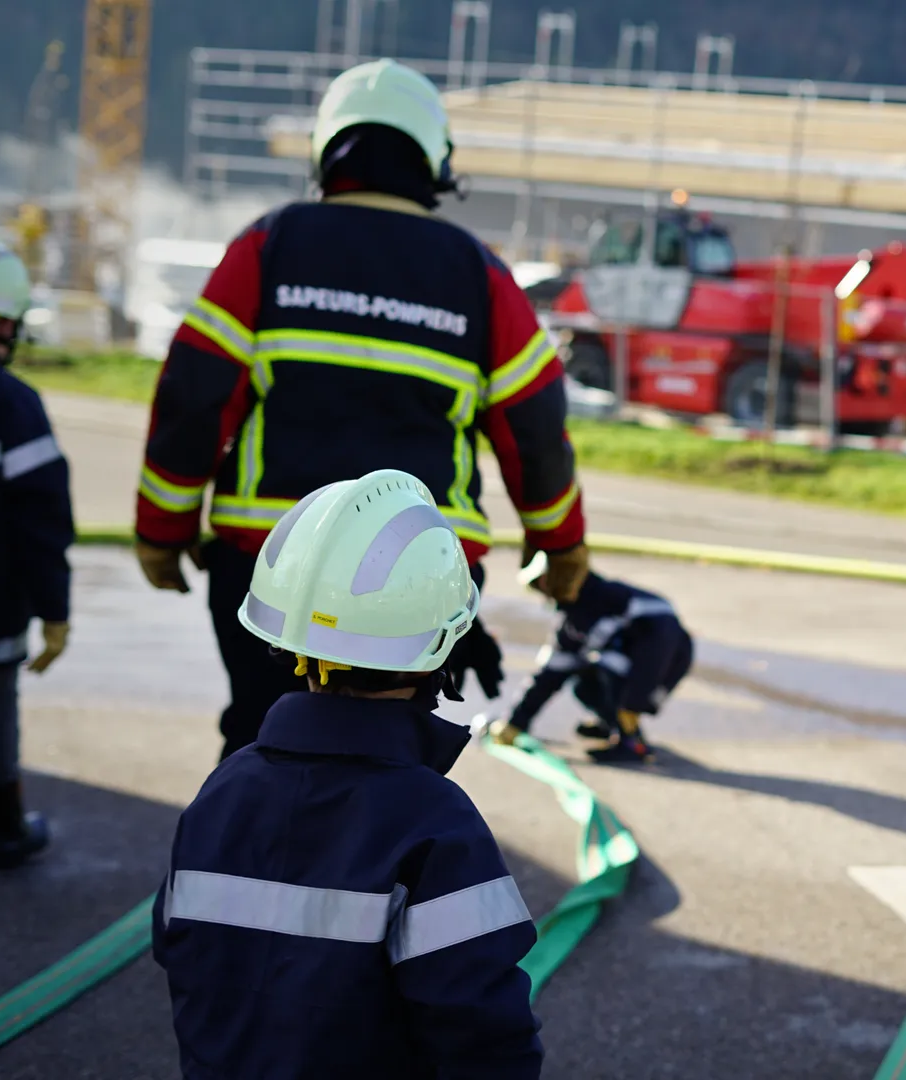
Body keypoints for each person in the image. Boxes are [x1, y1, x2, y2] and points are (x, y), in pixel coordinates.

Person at [134, 58, 588, 760]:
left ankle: (232, 864)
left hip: (271, 565)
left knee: (261, 748)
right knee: (399, 763)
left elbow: (194, 395)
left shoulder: (270, 245)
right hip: (423, 580)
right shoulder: (480, 275)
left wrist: (162, 530)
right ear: (434, 159)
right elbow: (535, 428)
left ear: (326, 152)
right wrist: (561, 546)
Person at [152, 470, 543, 1078]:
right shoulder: (436, 823)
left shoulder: (222, 794)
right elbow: (482, 1032)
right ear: (439, 649)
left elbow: (185, 955)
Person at [0, 236, 72, 870]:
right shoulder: (13, 405)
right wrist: (54, 613)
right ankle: (6, 828)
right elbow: (43, 524)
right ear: (5, 320)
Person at [485, 554, 693, 763]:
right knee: (583, 683)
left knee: (607, 665)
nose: (544, 590)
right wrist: (515, 724)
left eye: (545, 582)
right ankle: (612, 725)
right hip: (640, 667)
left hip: (666, 662)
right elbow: (551, 673)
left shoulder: (612, 601)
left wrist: (634, 702)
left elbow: (659, 650)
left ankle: (631, 742)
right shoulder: (575, 621)